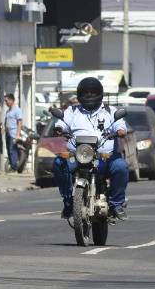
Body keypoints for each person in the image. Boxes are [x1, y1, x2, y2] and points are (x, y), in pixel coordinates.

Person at [52, 77, 130, 220]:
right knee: (58, 163)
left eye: (93, 92)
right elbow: (61, 123)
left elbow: (120, 126)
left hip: (104, 157)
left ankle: (116, 204)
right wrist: (59, 129)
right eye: (86, 93)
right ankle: (68, 200)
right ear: (79, 95)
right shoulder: (72, 111)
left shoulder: (110, 111)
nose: (89, 96)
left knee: (121, 166)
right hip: (77, 155)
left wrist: (120, 131)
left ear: (99, 93)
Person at [3, 93, 24, 172]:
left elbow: (20, 122)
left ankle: (14, 167)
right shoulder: (8, 111)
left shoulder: (17, 110)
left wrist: (17, 134)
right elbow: (6, 121)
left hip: (14, 133)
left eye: (6, 101)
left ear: (11, 100)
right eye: (5, 101)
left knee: (12, 150)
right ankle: (12, 165)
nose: (6, 103)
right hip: (8, 133)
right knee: (9, 150)